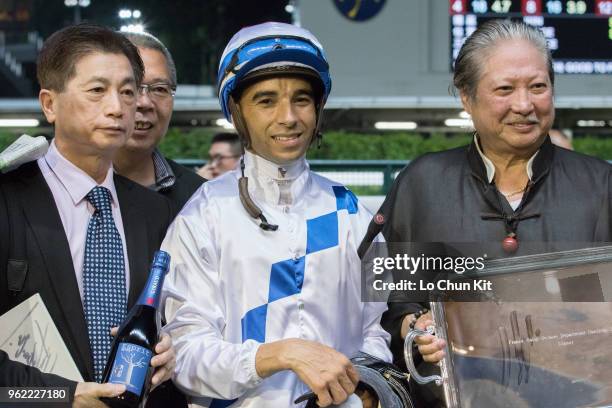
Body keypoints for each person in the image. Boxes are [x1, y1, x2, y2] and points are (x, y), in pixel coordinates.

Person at [359, 19, 611, 406]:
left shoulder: (600, 185)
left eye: (538, 86)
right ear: (466, 96)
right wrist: (416, 329)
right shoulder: (423, 183)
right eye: (504, 89)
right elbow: (391, 303)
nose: (524, 105)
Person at [160, 22, 392, 407]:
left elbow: (378, 330)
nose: (288, 117)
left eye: (301, 99)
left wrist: (365, 388)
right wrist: (281, 354)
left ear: (318, 108)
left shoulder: (351, 211)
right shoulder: (203, 215)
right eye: (266, 101)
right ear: (237, 112)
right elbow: (183, 354)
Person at [0, 24, 177, 407]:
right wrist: (58, 397)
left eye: (128, 92)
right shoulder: (7, 200)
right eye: (97, 90)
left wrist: (173, 349)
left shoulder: (154, 211)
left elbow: (172, 319)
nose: (117, 107)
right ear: (50, 103)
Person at [114, 31, 204, 216]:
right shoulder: (50, 184)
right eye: (130, 87)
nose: (144, 102)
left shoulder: (200, 199)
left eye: (160, 89)